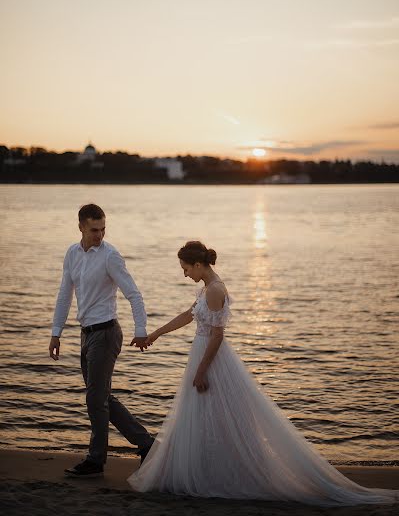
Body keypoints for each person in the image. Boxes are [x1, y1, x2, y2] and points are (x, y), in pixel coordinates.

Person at [128, 240, 398, 506]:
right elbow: (188, 316)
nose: (185, 274)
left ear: (198, 264)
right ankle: (210, 469)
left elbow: (217, 336)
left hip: (210, 359)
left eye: (186, 268)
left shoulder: (214, 289)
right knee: (205, 416)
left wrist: (201, 371)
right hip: (201, 354)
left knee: (216, 415)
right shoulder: (207, 287)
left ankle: (222, 474)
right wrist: (155, 334)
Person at [49, 203, 154, 477]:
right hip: (86, 334)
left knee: (95, 400)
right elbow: (64, 295)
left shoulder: (110, 256)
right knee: (102, 397)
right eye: (94, 229)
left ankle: (96, 460)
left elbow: (134, 294)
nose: (100, 235)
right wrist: (56, 332)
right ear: (81, 226)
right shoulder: (72, 254)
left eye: (103, 229)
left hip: (106, 334)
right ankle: (146, 444)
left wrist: (140, 329)